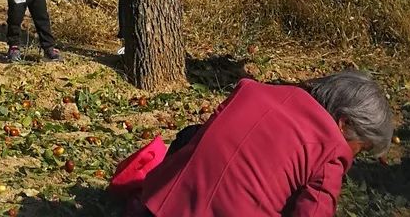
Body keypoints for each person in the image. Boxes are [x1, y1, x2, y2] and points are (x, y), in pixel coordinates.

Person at [126, 71, 393, 216]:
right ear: (344, 123)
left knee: (191, 133)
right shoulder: (330, 148)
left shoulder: (251, 90)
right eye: (362, 147)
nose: (354, 156)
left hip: (154, 209)